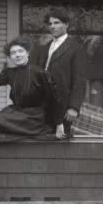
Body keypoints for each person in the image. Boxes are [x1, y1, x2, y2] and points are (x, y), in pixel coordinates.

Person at [0, 36, 64, 138]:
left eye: (20, 51)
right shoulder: (9, 73)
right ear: (10, 57)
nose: (17, 55)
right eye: (13, 53)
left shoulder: (39, 73)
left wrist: (59, 124)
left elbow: (54, 99)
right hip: (15, 113)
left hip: (34, 118)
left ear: (28, 53)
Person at [32, 8, 87, 137]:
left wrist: (74, 107)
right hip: (42, 104)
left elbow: (79, 80)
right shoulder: (45, 47)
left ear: (66, 24)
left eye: (56, 23)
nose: (52, 27)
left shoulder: (76, 48)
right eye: (50, 24)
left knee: (60, 143)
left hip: (63, 105)